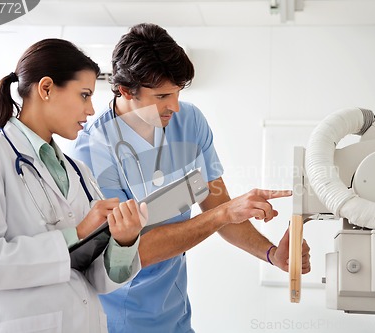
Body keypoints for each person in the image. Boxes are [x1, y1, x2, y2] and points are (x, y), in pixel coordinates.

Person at [70, 23, 311, 333]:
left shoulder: (189, 122)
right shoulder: (93, 151)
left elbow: (218, 204)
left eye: (178, 92)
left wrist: (272, 254)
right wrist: (223, 214)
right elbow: (134, 250)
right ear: (125, 90)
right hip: (120, 319)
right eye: (162, 96)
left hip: (175, 313)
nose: (175, 105)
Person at [0, 38, 147, 333]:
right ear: (46, 88)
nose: (90, 110)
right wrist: (79, 232)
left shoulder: (79, 172)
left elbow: (95, 279)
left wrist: (123, 241)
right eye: (84, 95)